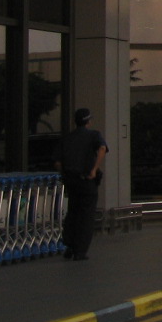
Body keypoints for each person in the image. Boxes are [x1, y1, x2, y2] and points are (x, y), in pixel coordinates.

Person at [58, 108, 107, 261]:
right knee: (86, 216)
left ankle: (69, 245)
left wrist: (65, 175)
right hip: (86, 181)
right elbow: (102, 148)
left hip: (72, 181)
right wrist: (94, 169)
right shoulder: (93, 135)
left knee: (73, 212)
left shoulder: (67, 138)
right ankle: (80, 250)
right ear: (88, 121)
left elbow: (57, 161)